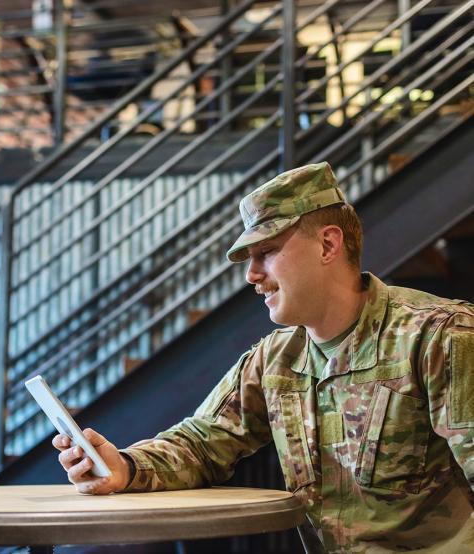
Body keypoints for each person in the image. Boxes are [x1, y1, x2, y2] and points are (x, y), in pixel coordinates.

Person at [53, 162, 474, 552]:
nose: (252, 275)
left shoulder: (439, 337)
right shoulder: (275, 358)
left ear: (328, 244)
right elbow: (202, 445)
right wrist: (124, 466)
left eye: (266, 252)